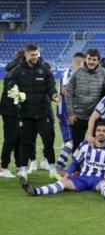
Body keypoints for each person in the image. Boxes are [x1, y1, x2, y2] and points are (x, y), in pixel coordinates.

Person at [19, 121, 105, 199]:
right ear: (95, 132)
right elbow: (75, 163)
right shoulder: (84, 145)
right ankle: (35, 191)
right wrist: (66, 176)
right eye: (98, 130)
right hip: (82, 179)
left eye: (104, 131)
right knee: (62, 183)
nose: (101, 133)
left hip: (99, 180)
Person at [6, 44, 59, 180]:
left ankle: (52, 169)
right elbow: (10, 87)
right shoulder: (17, 71)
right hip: (25, 114)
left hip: (43, 113)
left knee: (48, 142)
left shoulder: (45, 70)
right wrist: (16, 94)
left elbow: (51, 86)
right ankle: (23, 170)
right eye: (32, 55)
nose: (35, 57)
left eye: (37, 54)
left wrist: (54, 95)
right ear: (26, 55)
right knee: (25, 142)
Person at [66, 48, 105, 151]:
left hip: (95, 115)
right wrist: (70, 113)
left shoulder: (104, 72)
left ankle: (93, 165)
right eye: (89, 59)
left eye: (94, 59)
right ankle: (77, 167)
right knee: (77, 145)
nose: (91, 62)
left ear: (98, 61)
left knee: (95, 143)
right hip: (77, 115)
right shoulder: (77, 72)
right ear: (85, 59)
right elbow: (69, 92)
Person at [55, 52, 85, 173]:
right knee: (70, 141)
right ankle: (59, 166)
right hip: (66, 111)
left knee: (76, 140)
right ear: (79, 63)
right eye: (84, 63)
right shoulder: (69, 72)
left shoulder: (78, 73)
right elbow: (65, 91)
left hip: (74, 111)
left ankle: (75, 168)